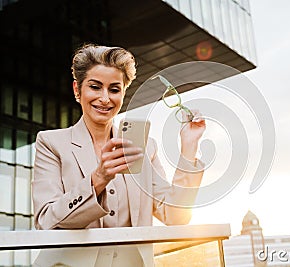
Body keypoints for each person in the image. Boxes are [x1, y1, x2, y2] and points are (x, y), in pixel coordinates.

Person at [32, 44, 206, 266]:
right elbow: (46, 219)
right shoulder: (51, 143)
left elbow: (175, 217)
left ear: (123, 93)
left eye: (114, 89)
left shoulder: (145, 148)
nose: (105, 98)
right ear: (77, 90)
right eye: (95, 87)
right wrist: (98, 180)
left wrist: (189, 150)